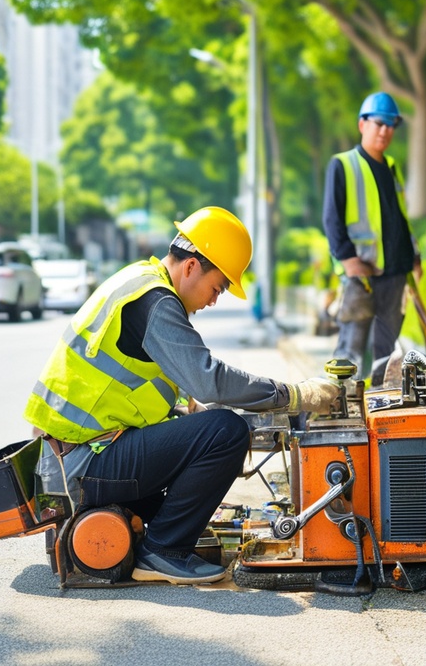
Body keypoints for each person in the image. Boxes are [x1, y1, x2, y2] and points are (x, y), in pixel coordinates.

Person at [24, 206, 340, 585]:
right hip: (79, 466)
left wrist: (179, 414)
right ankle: (162, 552)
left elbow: (124, 388)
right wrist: (292, 394)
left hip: (71, 459)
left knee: (197, 460)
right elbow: (209, 379)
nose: (213, 301)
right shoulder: (156, 301)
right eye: (217, 287)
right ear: (191, 266)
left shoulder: (140, 281)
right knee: (226, 431)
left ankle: (157, 540)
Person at [322, 92, 421, 383]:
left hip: (394, 274)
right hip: (360, 276)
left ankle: (376, 409)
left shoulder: (391, 167)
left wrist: (414, 257)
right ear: (362, 124)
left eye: (391, 125)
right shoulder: (343, 164)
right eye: (379, 123)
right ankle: (341, 409)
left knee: (385, 352)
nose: (385, 131)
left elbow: (400, 217)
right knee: (350, 350)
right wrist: (348, 260)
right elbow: (332, 218)